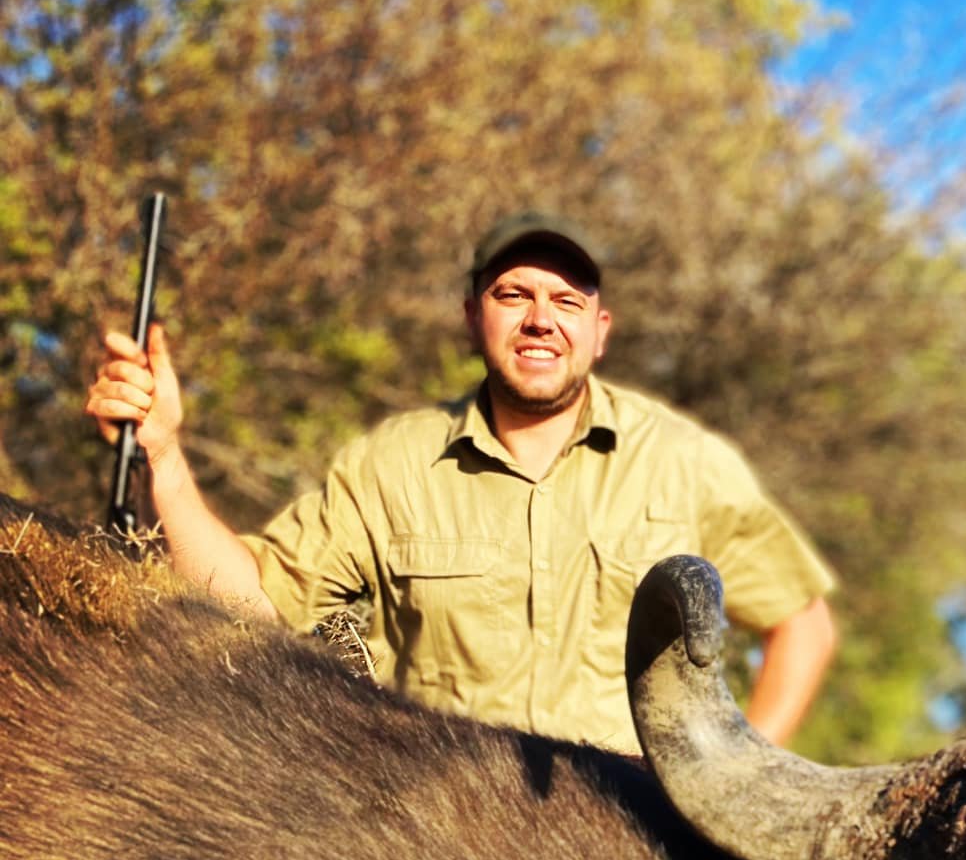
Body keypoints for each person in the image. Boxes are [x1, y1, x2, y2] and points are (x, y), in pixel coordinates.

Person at [83, 213, 837, 749]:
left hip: (640, 853)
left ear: (599, 332)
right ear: (474, 318)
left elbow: (802, 625)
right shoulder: (392, 464)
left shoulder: (685, 461)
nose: (541, 318)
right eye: (514, 295)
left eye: (567, 302)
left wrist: (728, 785)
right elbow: (250, 601)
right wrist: (166, 455)